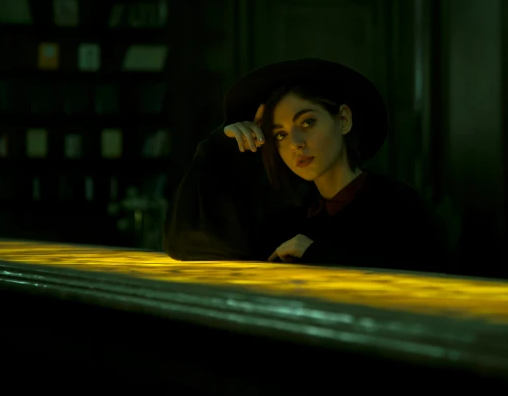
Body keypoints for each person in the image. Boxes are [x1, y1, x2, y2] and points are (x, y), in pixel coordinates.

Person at [163, 59, 452, 273]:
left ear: (343, 120)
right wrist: (217, 148)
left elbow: (431, 281)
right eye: (280, 134)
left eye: (307, 123)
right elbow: (189, 247)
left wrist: (319, 255)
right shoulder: (290, 221)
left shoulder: (400, 208)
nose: (296, 143)